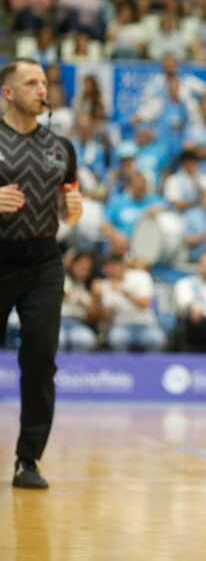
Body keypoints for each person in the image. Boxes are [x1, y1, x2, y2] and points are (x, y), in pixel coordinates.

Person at [0, 58, 83, 489]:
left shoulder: (61, 148)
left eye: (44, 82)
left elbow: (71, 199)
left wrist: (74, 211)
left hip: (43, 263)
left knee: (39, 359)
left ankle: (27, 460)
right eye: (30, 82)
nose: (41, 88)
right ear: (8, 92)